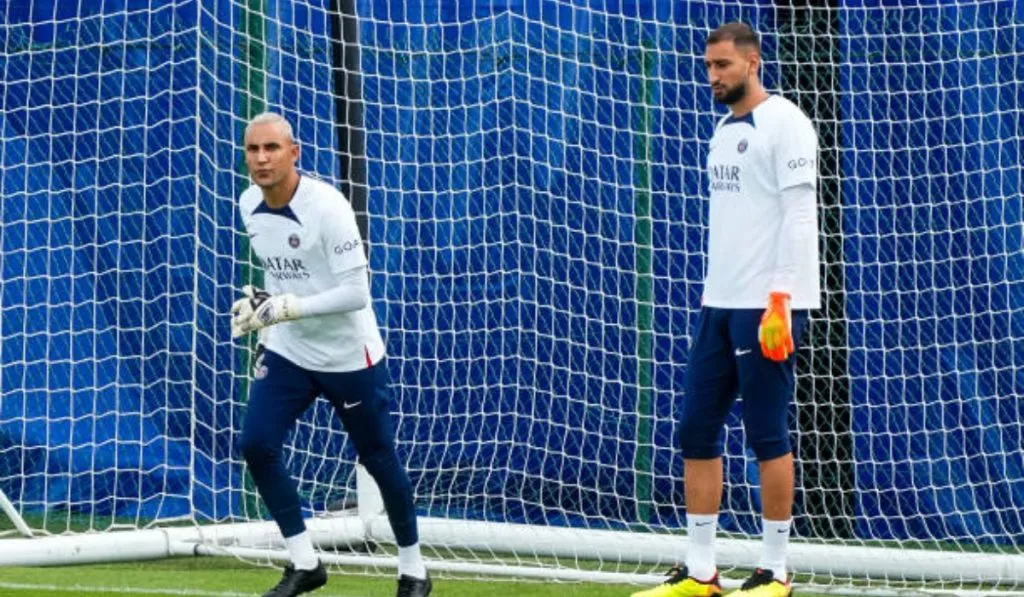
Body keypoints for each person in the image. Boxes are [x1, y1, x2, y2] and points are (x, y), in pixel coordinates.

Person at [632, 22, 820, 597]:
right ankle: (701, 570)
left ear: (753, 63)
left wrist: (781, 300)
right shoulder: (721, 129)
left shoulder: (785, 121)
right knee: (695, 429)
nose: (712, 76)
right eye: (708, 66)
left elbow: (798, 216)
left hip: (768, 306)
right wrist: (714, 292)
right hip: (719, 304)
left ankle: (775, 572)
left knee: (766, 432)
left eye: (722, 66)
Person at [230, 112, 432, 597]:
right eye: (253, 150)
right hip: (290, 351)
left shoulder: (328, 207)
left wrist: (286, 306)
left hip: (349, 356)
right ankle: (305, 563)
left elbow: (356, 293)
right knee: (257, 445)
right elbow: (287, 278)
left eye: (272, 149)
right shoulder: (247, 204)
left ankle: (414, 571)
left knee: (378, 457)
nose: (262, 158)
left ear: (293, 152)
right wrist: (264, 307)